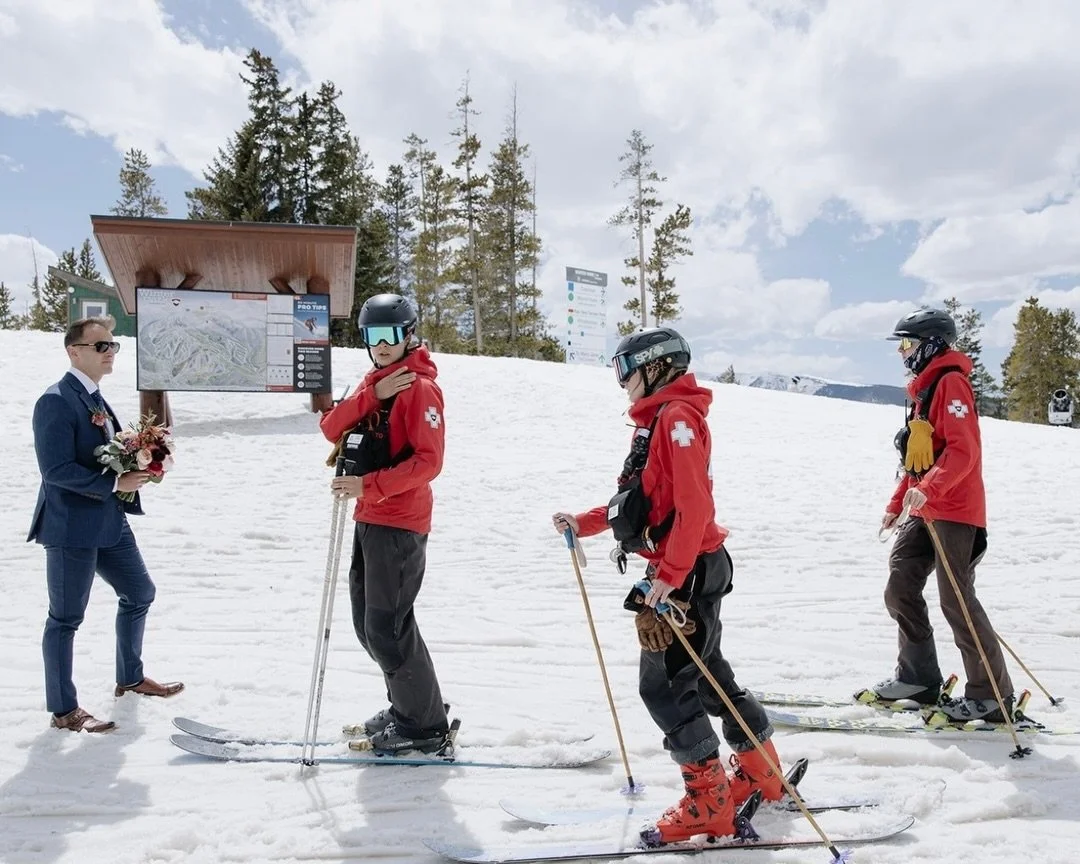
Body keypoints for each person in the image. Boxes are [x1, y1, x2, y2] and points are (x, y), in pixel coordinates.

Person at [552, 327, 783, 844]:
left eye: (625, 369)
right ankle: (763, 774)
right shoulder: (658, 419)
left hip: (688, 569)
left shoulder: (675, 418)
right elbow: (646, 502)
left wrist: (670, 578)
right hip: (694, 564)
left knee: (664, 687)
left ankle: (709, 805)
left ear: (655, 366)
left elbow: (694, 505)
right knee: (708, 676)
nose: (621, 381)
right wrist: (584, 522)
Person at [28, 316, 184, 734]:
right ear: (73, 351)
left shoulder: (94, 397)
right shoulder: (56, 400)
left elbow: (103, 453)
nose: (110, 352)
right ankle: (64, 710)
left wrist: (141, 460)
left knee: (140, 592)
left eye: (112, 345)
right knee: (65, 618)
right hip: (71, 527)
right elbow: (55, 470)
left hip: (109, 521)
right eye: (101, 346)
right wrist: (115, 482)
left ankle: (129, 678)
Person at [869, 307, 1014, 722]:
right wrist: (898, 502)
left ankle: (991, 696)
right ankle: (918, 678)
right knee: (900, 585)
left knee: (957, 601)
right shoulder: (925, 389)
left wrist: (928, 490)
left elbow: (962, 451)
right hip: (925, 506)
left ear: (931, 345)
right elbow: (918, 459)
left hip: (955, 510)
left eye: (907, 343)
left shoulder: (951, 383)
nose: (901, 351)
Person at [319, 293, 450, 755]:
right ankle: (410, 707)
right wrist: (372, 395)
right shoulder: (375, 382)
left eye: (390, 334)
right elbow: (330, 427)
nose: (381, 344)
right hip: (370, 517)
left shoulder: (420, 388)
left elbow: (428, 462)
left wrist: (368, 485)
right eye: (372, 335)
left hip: (399, 521)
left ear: (408, 334)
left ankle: (424, 726)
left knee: (388, 627)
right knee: (369, 625)